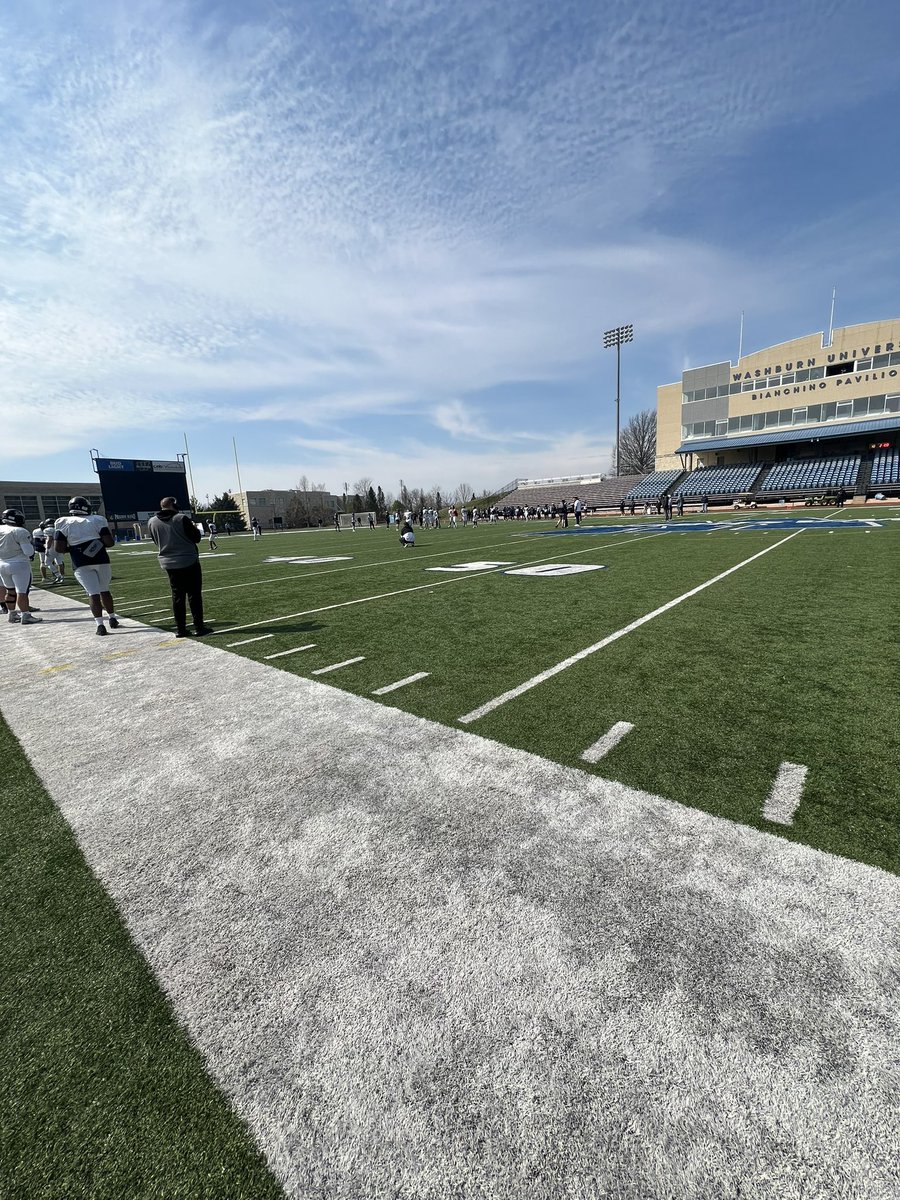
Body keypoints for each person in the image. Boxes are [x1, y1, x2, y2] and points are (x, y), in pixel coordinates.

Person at [52, 497, 121, 635]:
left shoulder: (62, 522)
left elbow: (59, 548)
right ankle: (112, 618)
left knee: (93, 594)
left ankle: (100, 626)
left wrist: (74, 549)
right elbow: (109, 542)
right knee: (105, 590)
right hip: (101, 559)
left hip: (80, 562)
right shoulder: (97, 519)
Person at [147, 497, 211, 638]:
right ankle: (199, 627)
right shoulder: (181, 518)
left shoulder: (152, 521)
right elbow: (196, 538)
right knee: (194, 595)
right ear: (173, 505)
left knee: (177, 596)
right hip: (188, 560)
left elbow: (155, 540)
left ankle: (181, 629)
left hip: (168, 562)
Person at [1, 509, 42, 625]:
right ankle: (25, 615)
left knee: (10, 590)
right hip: (18, 564)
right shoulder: (20, 531)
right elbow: (28, 551)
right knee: (21, 591)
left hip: (2, 564)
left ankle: (12, 614)